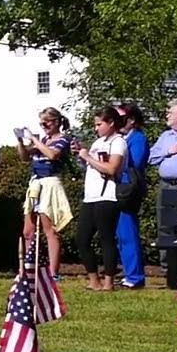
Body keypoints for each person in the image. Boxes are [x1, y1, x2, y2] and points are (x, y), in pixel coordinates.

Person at [15, 107, 73, 281]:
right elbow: (26, 157)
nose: (44, 126)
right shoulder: (44, 140)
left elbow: (53, 154)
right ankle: (29, 268)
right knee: (28, 230)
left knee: (50, 229)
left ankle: (53, 272)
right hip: (35, 183)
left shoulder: (62, 139)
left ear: (56, 122)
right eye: (41, 123)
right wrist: (20, 142)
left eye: (46, 122)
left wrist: (34, 139)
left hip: (50, 183)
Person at [75, 106, 127, 292]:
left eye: (99, 124)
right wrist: (82, 156)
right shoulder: (98, 142)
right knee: (82, 239)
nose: (96, 128)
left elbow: (112, 168)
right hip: (91, 196)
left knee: (106, 239)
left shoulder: (118, 142)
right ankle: (93, 279)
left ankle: (108, 282)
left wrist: (88, 157)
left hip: (108, 196)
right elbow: (91, 166)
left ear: (111, 123)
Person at [148, 99, 177, 290]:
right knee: (166, 228)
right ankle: (169, 272)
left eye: (171, 112)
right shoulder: (165, 137)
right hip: (166, 186)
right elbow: (151, 157)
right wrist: (169, 152)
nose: (167, 115)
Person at [115, 104, 150, 288]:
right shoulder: (121, 139)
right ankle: (128, 272)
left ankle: (135, 276)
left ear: (132, 120)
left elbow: (136, 162)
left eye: (122, 119)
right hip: (118, 187)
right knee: (120, 234)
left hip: (128, 190)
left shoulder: (137, 138)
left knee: (128, 232)